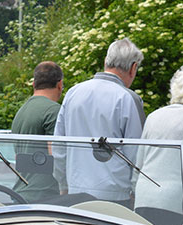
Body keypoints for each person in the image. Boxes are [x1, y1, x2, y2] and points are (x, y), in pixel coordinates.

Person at [52, 38, 144, 201]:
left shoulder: (73, 93)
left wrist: (63, 184)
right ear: (133, 68)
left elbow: (59, 146)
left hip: (75, 189)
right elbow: (135, 154)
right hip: (115, 195)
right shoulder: (128, 98)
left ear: (105, 62)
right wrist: (135, 191)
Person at [135, 64, 183, 211]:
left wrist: (134, 191)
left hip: (143, 196)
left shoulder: (153, 116)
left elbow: (139, 162)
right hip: (174, 200)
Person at [11, 61, 64, 199]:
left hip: (20, 193)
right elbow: (57, 157)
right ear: (60, 85)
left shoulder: (21, 112)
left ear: (34, 84)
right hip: (45, 196)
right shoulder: (54, 111)